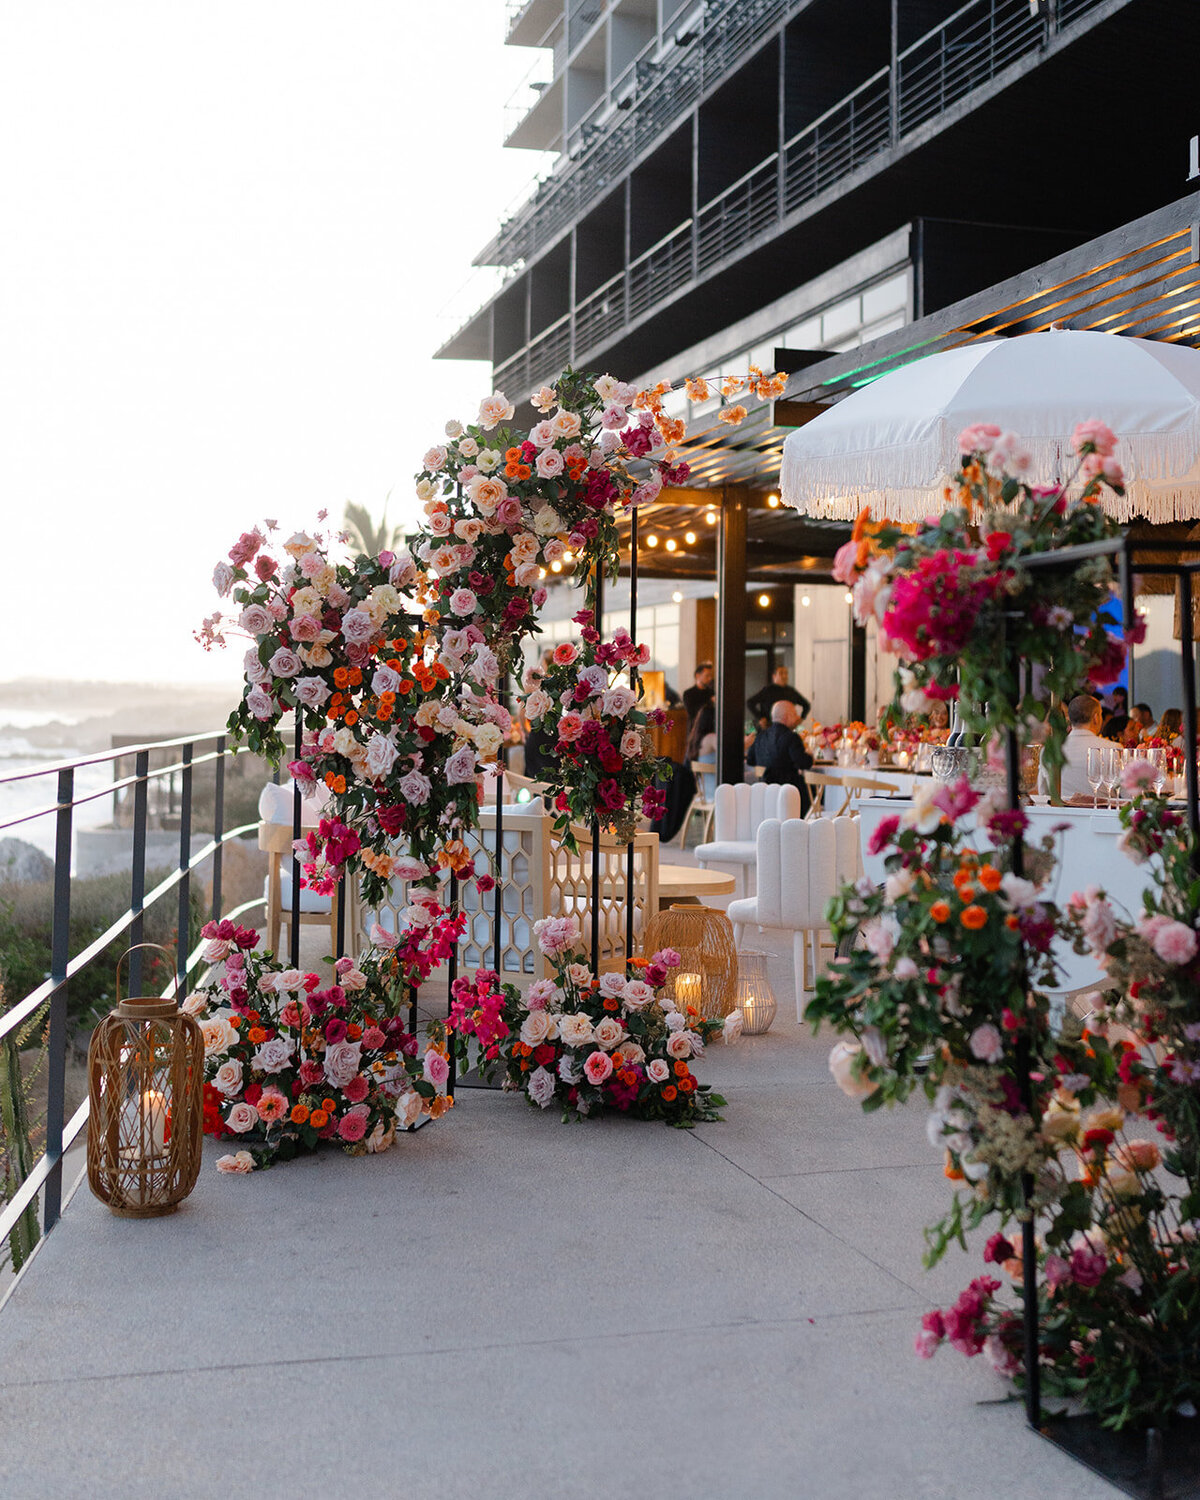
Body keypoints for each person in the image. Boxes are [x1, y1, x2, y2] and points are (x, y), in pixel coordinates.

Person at [1037, 693, 1108, 802]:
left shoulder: (1048, 750)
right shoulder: (1113, 748)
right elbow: (1127, 795)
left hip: (1062, 815)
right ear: (1096, 718)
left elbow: (1043, 794)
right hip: (1103, 816)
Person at [746, 700, 812, 813]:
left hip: (767, 792)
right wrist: (810, 755)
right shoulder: (791, 737)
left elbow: (750, 760)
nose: (797, 718)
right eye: (795, 714)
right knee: (817, 791)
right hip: (790, 793)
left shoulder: (761, 736)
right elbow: (804, 763)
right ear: (787, 717)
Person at [747, 665, 811, 729]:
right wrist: (760, 718)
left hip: (788, 728)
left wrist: (800, 719)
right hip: (769, 727)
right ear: (774, 676)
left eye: (786, 673)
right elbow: (750, 702)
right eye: (781, 673)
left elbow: (806, 705)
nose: (784, 676)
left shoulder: (791, 691)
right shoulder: (768, 690)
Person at [685, 701, 717, 800]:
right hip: (716, 793)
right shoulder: (712, 738)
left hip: (703, 794)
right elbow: (727, 755)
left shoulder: (695, 739)